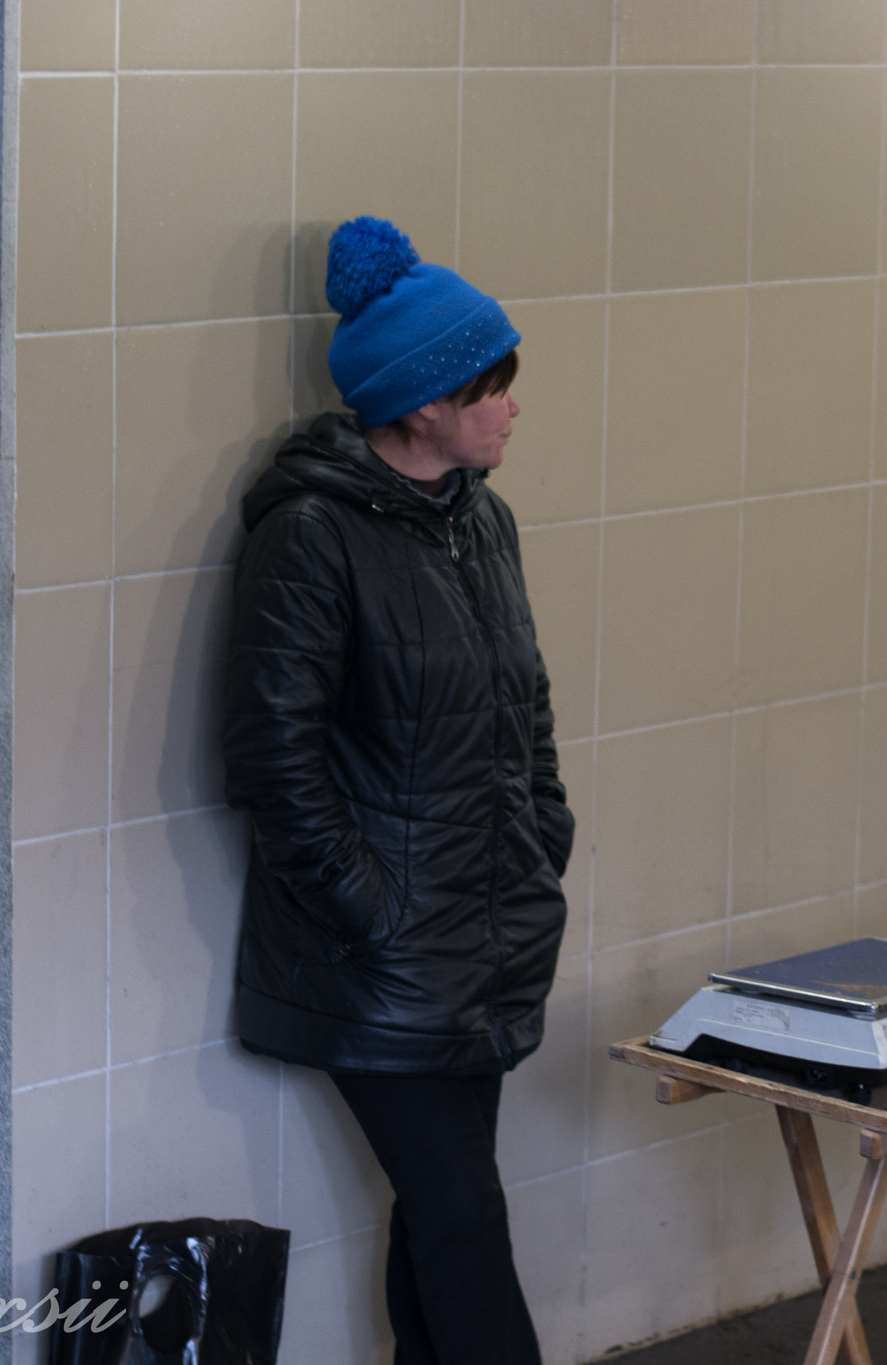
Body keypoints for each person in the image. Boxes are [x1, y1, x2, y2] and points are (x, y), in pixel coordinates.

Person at [222, 214, 570, 1365]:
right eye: (492, 386)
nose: (512, 404)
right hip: (376, 955)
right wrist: (374, 912)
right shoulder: (310, 534)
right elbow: (272, 757)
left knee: (443, 1211)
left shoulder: (481, 522)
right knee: (463, 1217)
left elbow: (525, 704)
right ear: (421, 405)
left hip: (483, 926)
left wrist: (542, 835)